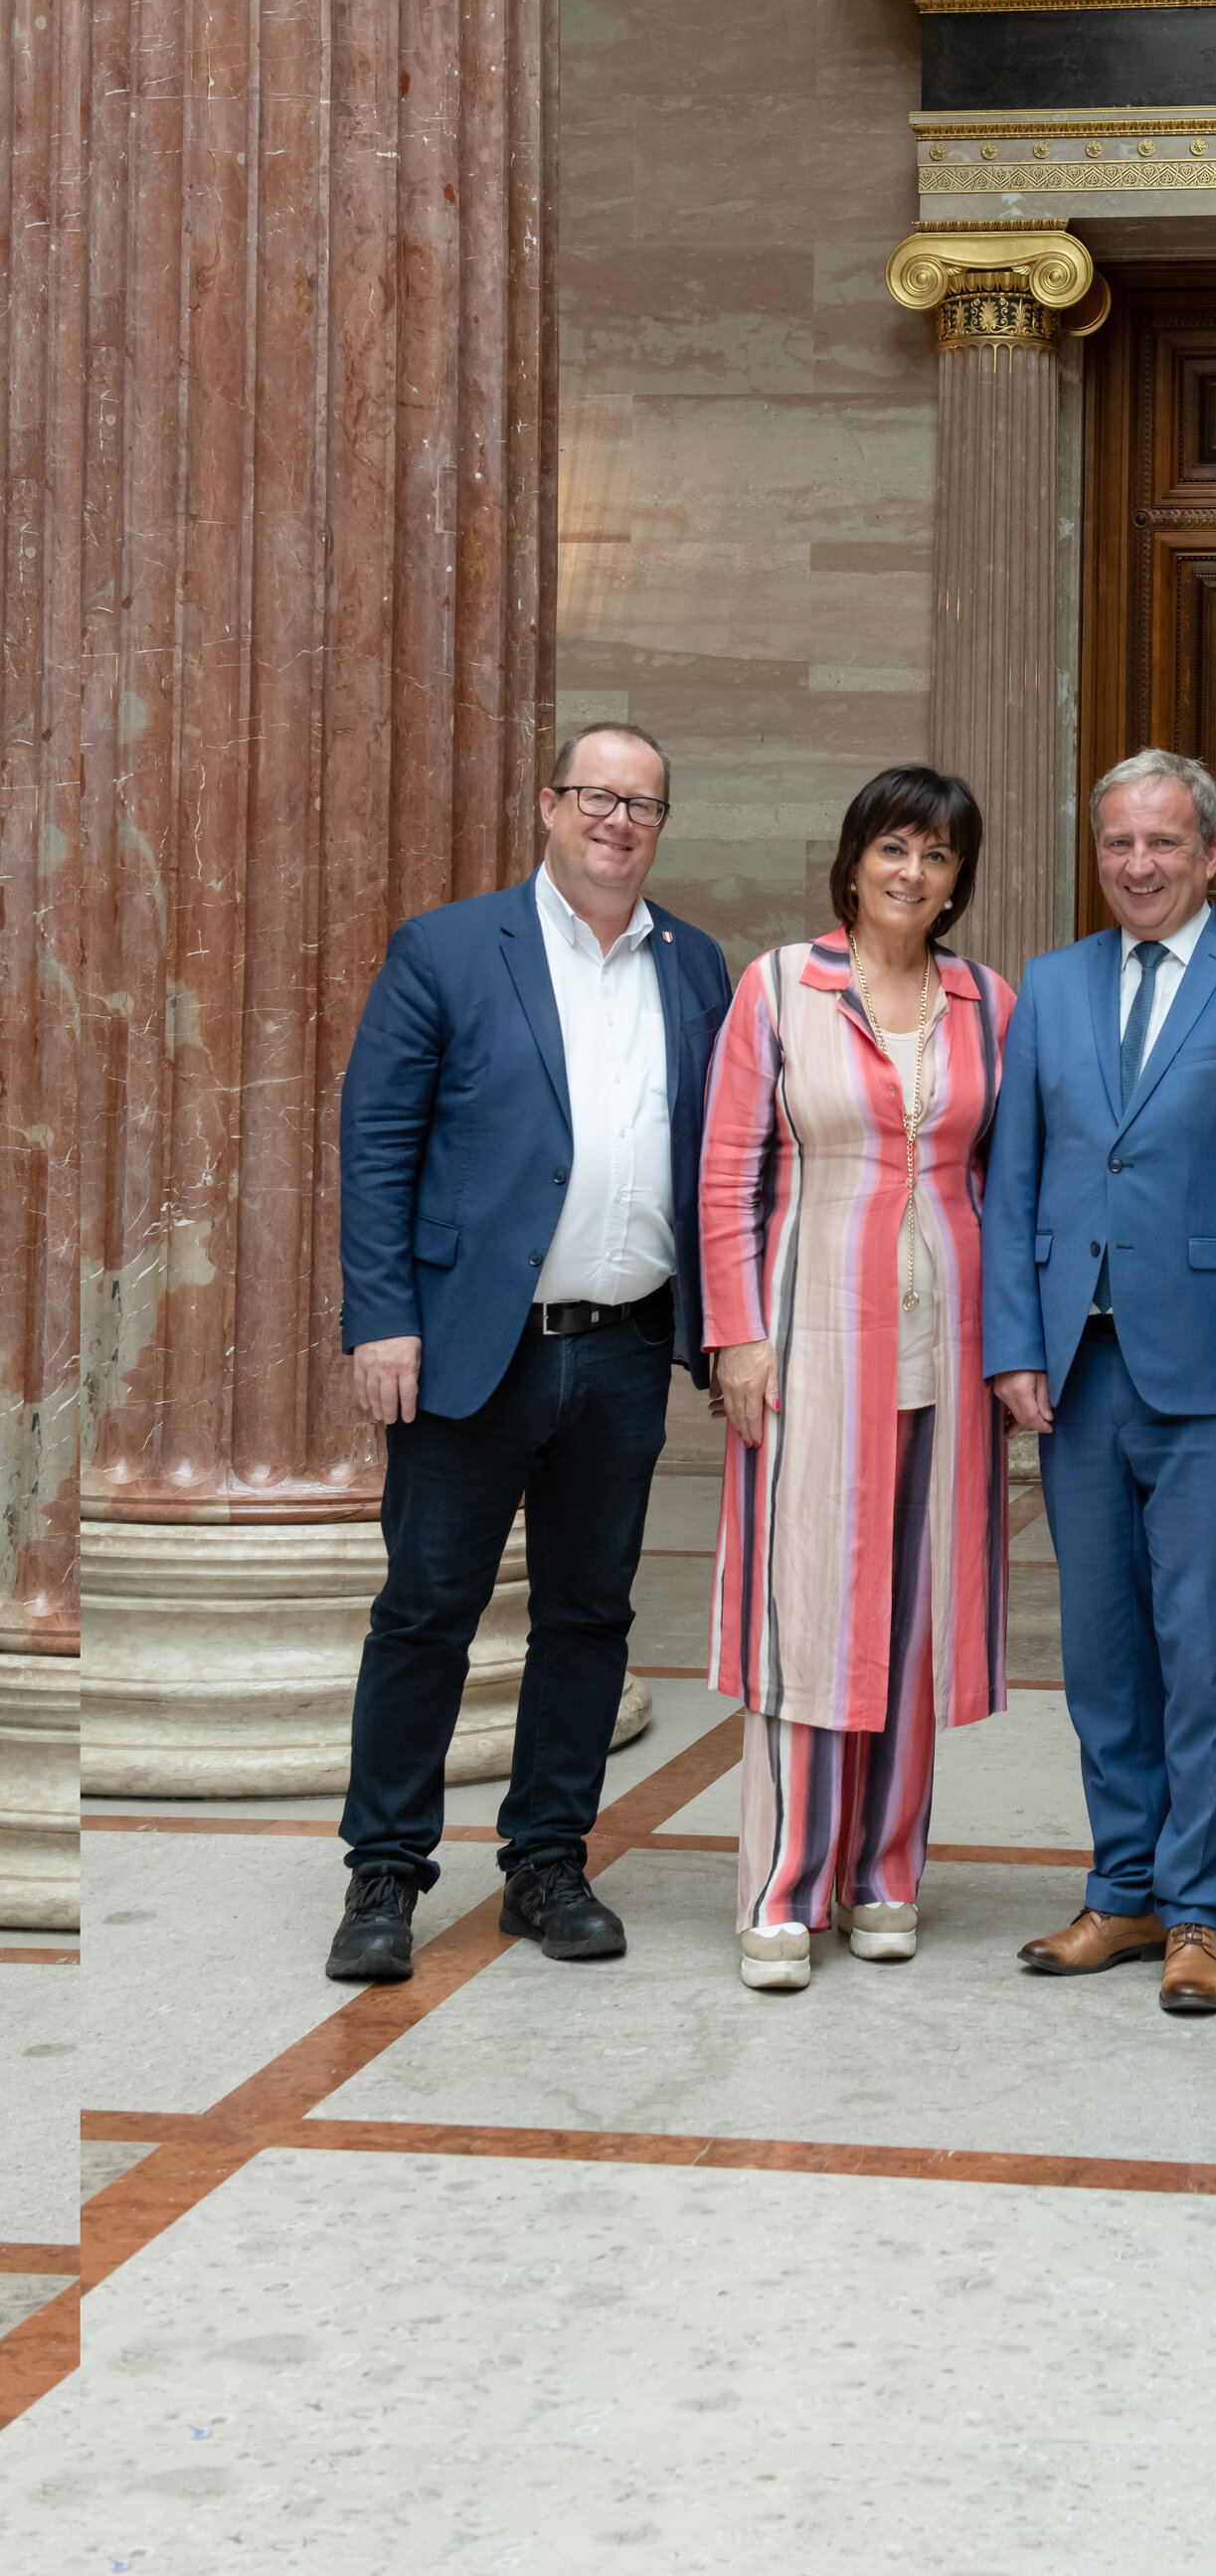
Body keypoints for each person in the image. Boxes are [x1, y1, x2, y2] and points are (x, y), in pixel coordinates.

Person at [329, 722, 730, 1982]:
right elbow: (377, 1141)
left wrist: (724, 1331)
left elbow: (725, 1164)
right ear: (549, 807)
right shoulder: (448, 949)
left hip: (621, 1350)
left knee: (587, 1615)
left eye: (644, 806)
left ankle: (545, 1865)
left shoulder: (697, 967)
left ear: (661, 827)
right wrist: (380, 1317)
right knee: (426, 1614)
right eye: (596, 797)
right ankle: (383, 1878)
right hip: (468, 1348)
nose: (618, 822)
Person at [981, 748, 1216, 2017]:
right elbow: (1015, 1181)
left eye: (1163, 845)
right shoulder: (1051, 983)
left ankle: (1199, 1911)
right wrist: (1012, 1346)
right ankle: (1121, 1890)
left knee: (1202, 1654)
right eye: (1118, 845)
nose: (1138, 866)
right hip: (1075, 1374)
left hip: (1210, 1380)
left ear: (1210, 856)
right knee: (1100, 1654)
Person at [700, 767, 1014, 1992]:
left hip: (951, 1345)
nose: (912, 874)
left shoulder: (988, 1000)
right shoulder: (777, 985)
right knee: (807, 1605)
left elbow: (1007, 1173)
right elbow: (728, 1170)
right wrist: (735, 1333)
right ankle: (782, 1884)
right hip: (808, 1338)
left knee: (915, 1608)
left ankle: (885, 1874)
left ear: (956, 883)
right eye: (894, 848)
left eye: (937, 857)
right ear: (851, 861)